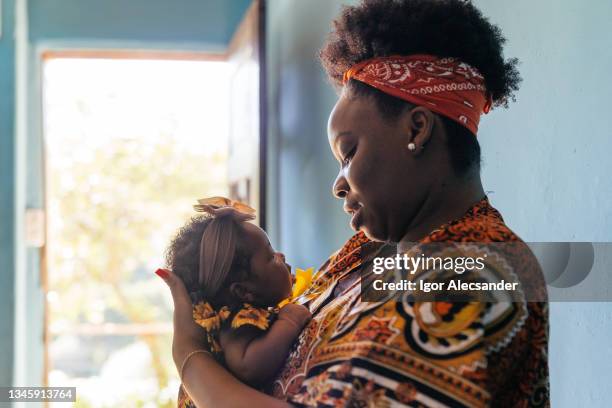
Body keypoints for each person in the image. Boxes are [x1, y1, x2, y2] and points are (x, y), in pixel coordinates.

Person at [157, 0, 549, 406]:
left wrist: (190, 360)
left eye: (348, 154)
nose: (338, 186)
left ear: (417, 129)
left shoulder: (480, 271)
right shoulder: (369, 251)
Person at [161, 197, 311, 406]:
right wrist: (290, 323)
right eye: (271, 256)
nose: (281, 255)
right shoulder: (237, 320)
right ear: (244, 291)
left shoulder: (373, 264)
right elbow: (248, 367)